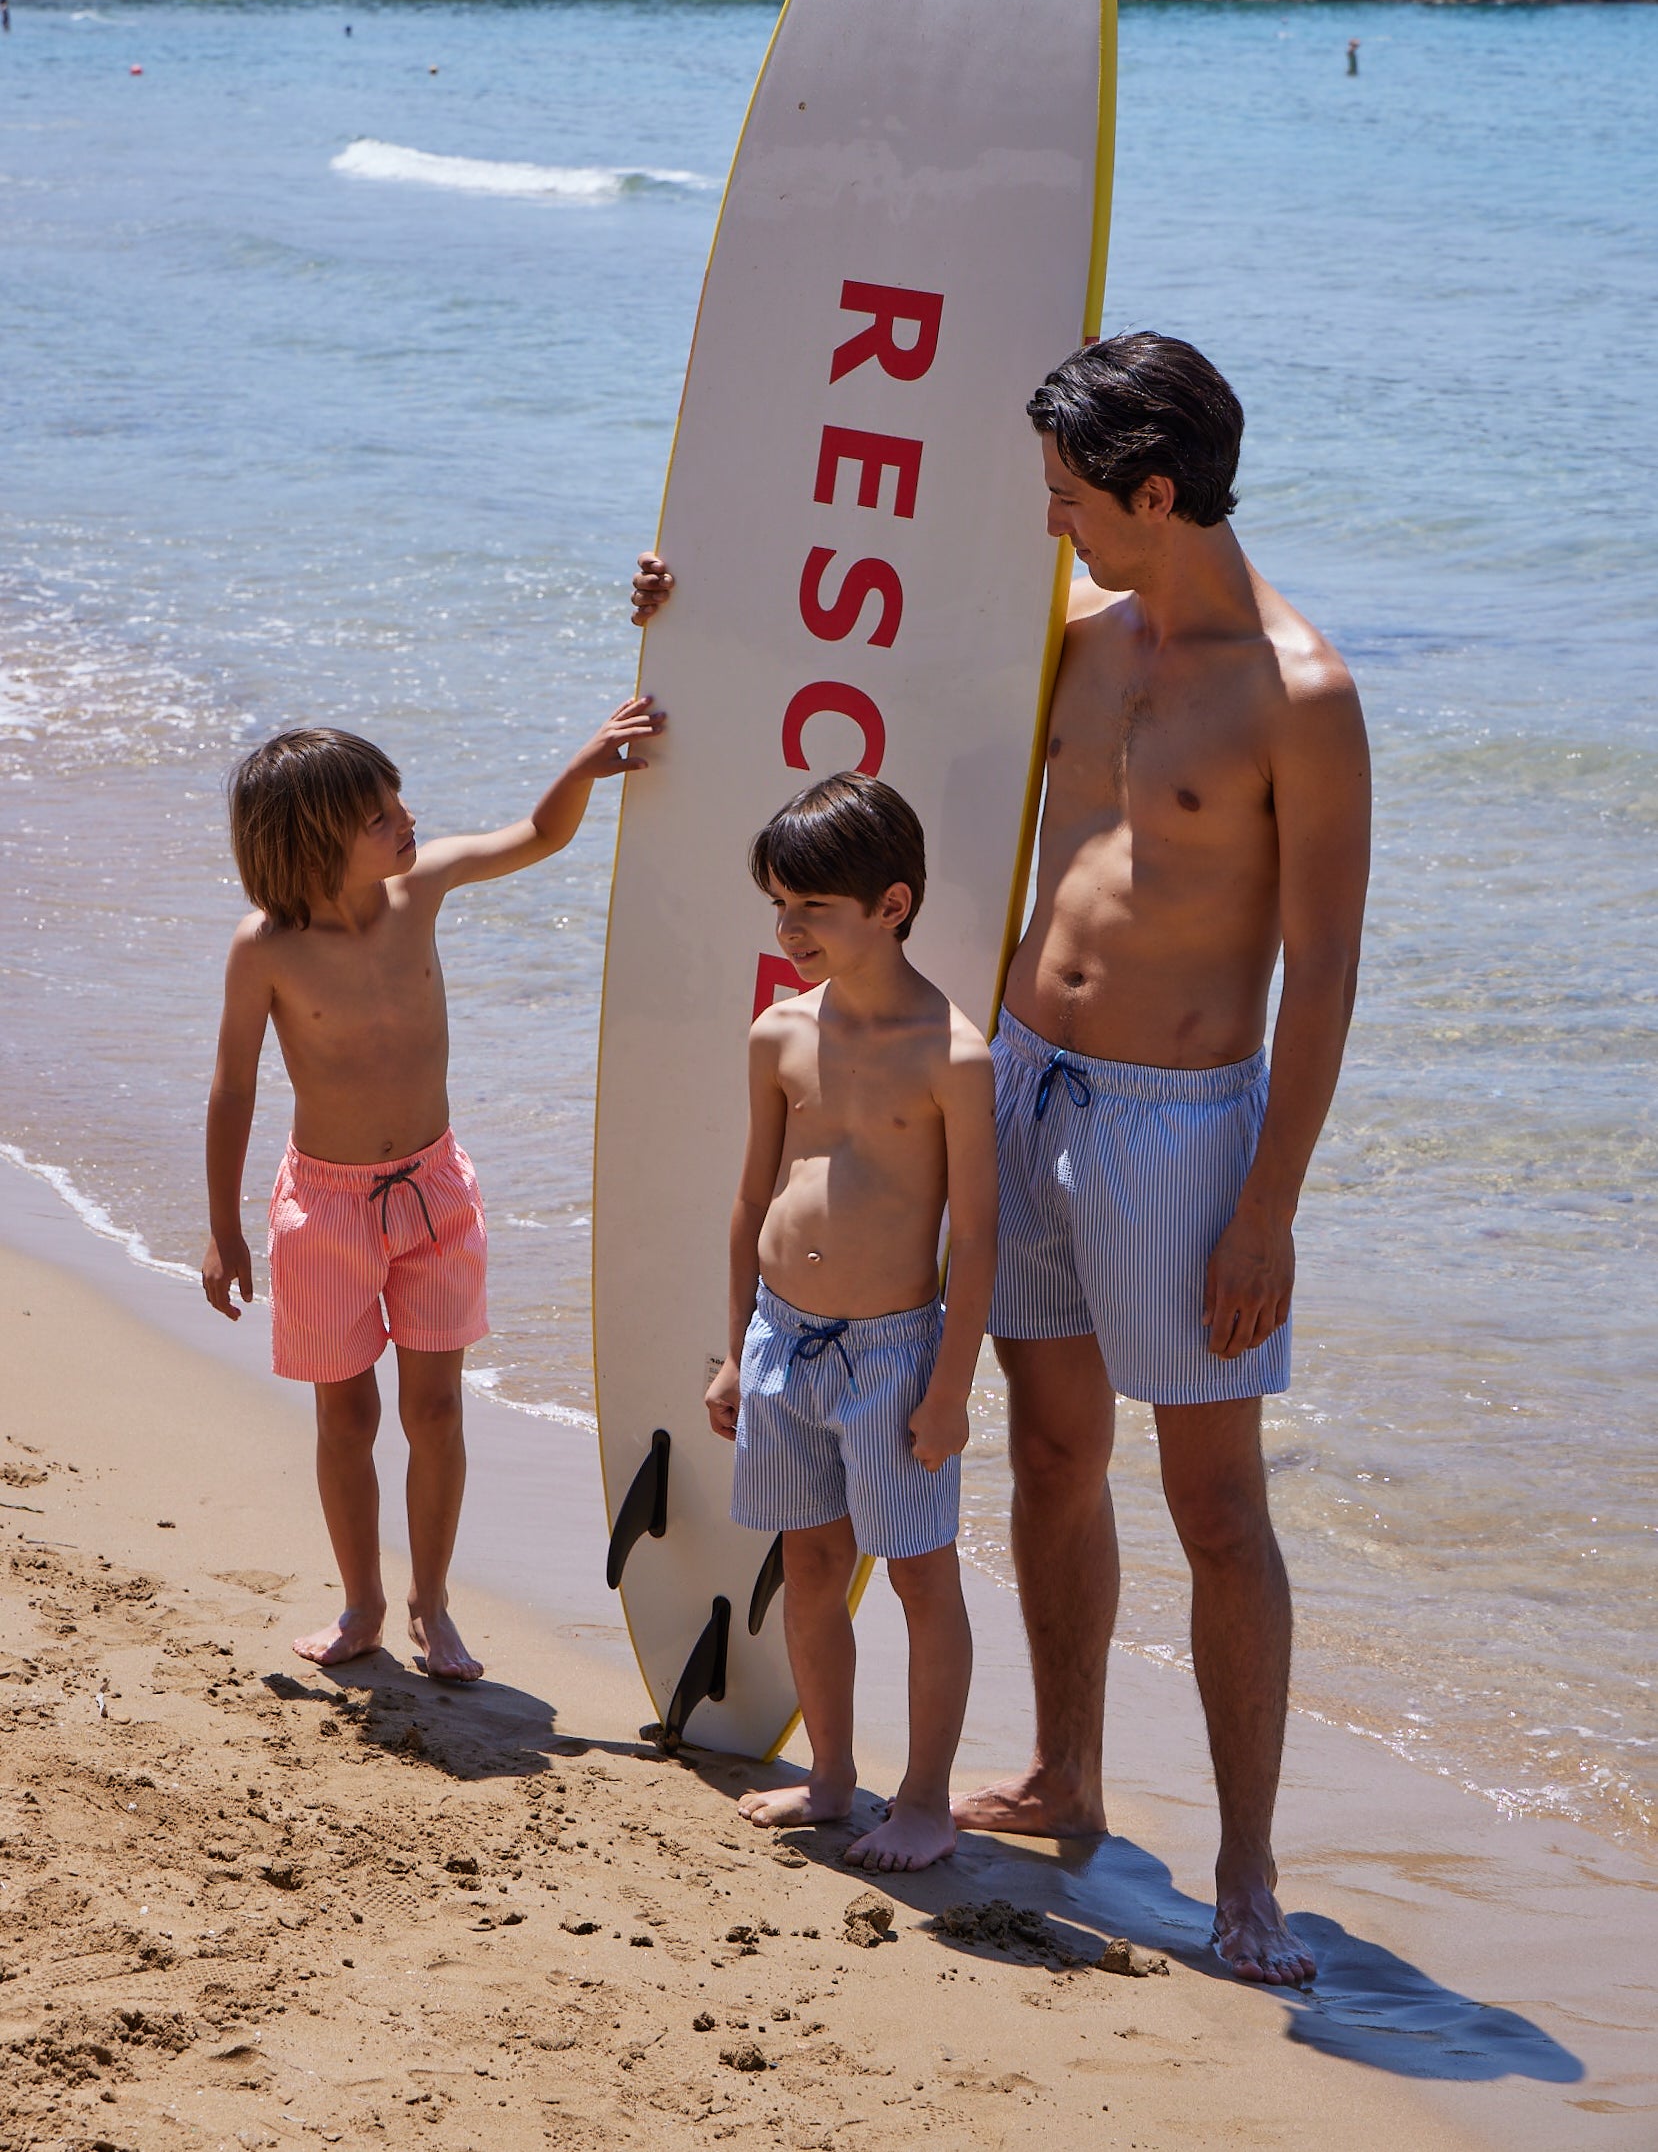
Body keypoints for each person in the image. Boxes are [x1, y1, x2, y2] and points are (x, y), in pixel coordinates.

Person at [632, 330, 1370, 1983]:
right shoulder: (1073, 640)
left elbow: (1320, 966)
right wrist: (687, 597)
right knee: (1046, 1458)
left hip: (1181, 1134)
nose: (1048, 525)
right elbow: (858, 633)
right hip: (1024, 1083)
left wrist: (1271, 1203)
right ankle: (1063, 1769)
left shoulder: (1299, 697)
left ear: (1152, 492)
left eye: (1068, 498)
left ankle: (1245, 1872)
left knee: (1215, 1507)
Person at [201, 701, 663, 1679]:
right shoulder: (266, 949)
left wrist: (581, 759)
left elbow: (537, 835)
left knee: (436, 1412)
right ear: (312, 841)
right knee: (348, 1418)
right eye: (378, 814)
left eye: (396, 799)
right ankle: (362, 1599)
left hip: (434, 1192)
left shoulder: (427, 887)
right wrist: (223, 1228)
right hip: (322, 1205)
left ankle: (431, 1602)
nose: (405, 817)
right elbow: (234, 1085)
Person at [705, 774, 997, 1874]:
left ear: (890, 902)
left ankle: (922, 1799)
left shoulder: (952, 1053)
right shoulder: (776, 1030)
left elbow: (975, 1238)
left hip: (892, 1352)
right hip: (784, 1336)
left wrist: (949, 1387)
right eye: (777, 905)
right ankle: (830, 1774)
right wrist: (734, 1347)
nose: (786, 929)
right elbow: (749, 1198)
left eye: (810, 908)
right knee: (810, 1559)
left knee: (921, 1575)